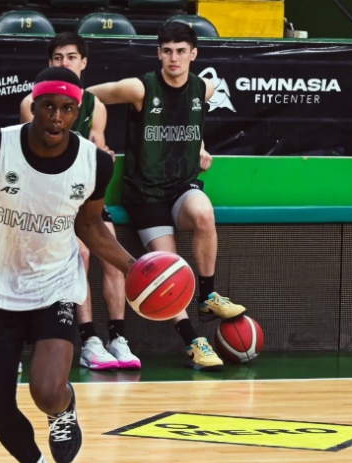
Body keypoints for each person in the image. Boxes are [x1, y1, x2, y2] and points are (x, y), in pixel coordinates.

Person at [0, 67, 136, 463]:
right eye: (48, 106)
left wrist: (135, 267)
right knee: (0, 408)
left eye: (67, 109)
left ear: (78, 112)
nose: (56, 117)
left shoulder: (95, 163)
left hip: (55, 285)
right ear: (33, 106)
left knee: (46, 392)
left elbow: (89, 225)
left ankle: (63, 407)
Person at [87, 22, 247, 372]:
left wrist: (200, 144)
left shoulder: (203, 88)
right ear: (159, 53)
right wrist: (96, 133)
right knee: (167, 269)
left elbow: (192, 121)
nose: (174, 57)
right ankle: (192, 342)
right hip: (145, 195)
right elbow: (88, 95)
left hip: (181, 186)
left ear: (193, 54)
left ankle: (207, 296)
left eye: (181, 51)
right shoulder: (140, 88)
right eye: (167, 51)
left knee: (204, 213)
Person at [20, 32, 140, 371]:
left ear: (83, 63)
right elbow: (33, 158)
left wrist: (104, 157)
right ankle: (89, 340)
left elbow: (96, 149)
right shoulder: (32, 102)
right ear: (49, 63)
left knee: (113, 254)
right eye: (58, 58)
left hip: (84, 195)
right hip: (47, 199)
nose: (65, 63)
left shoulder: (95, 105)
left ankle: (118, 337)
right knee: (82, 254)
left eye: (71, 57)